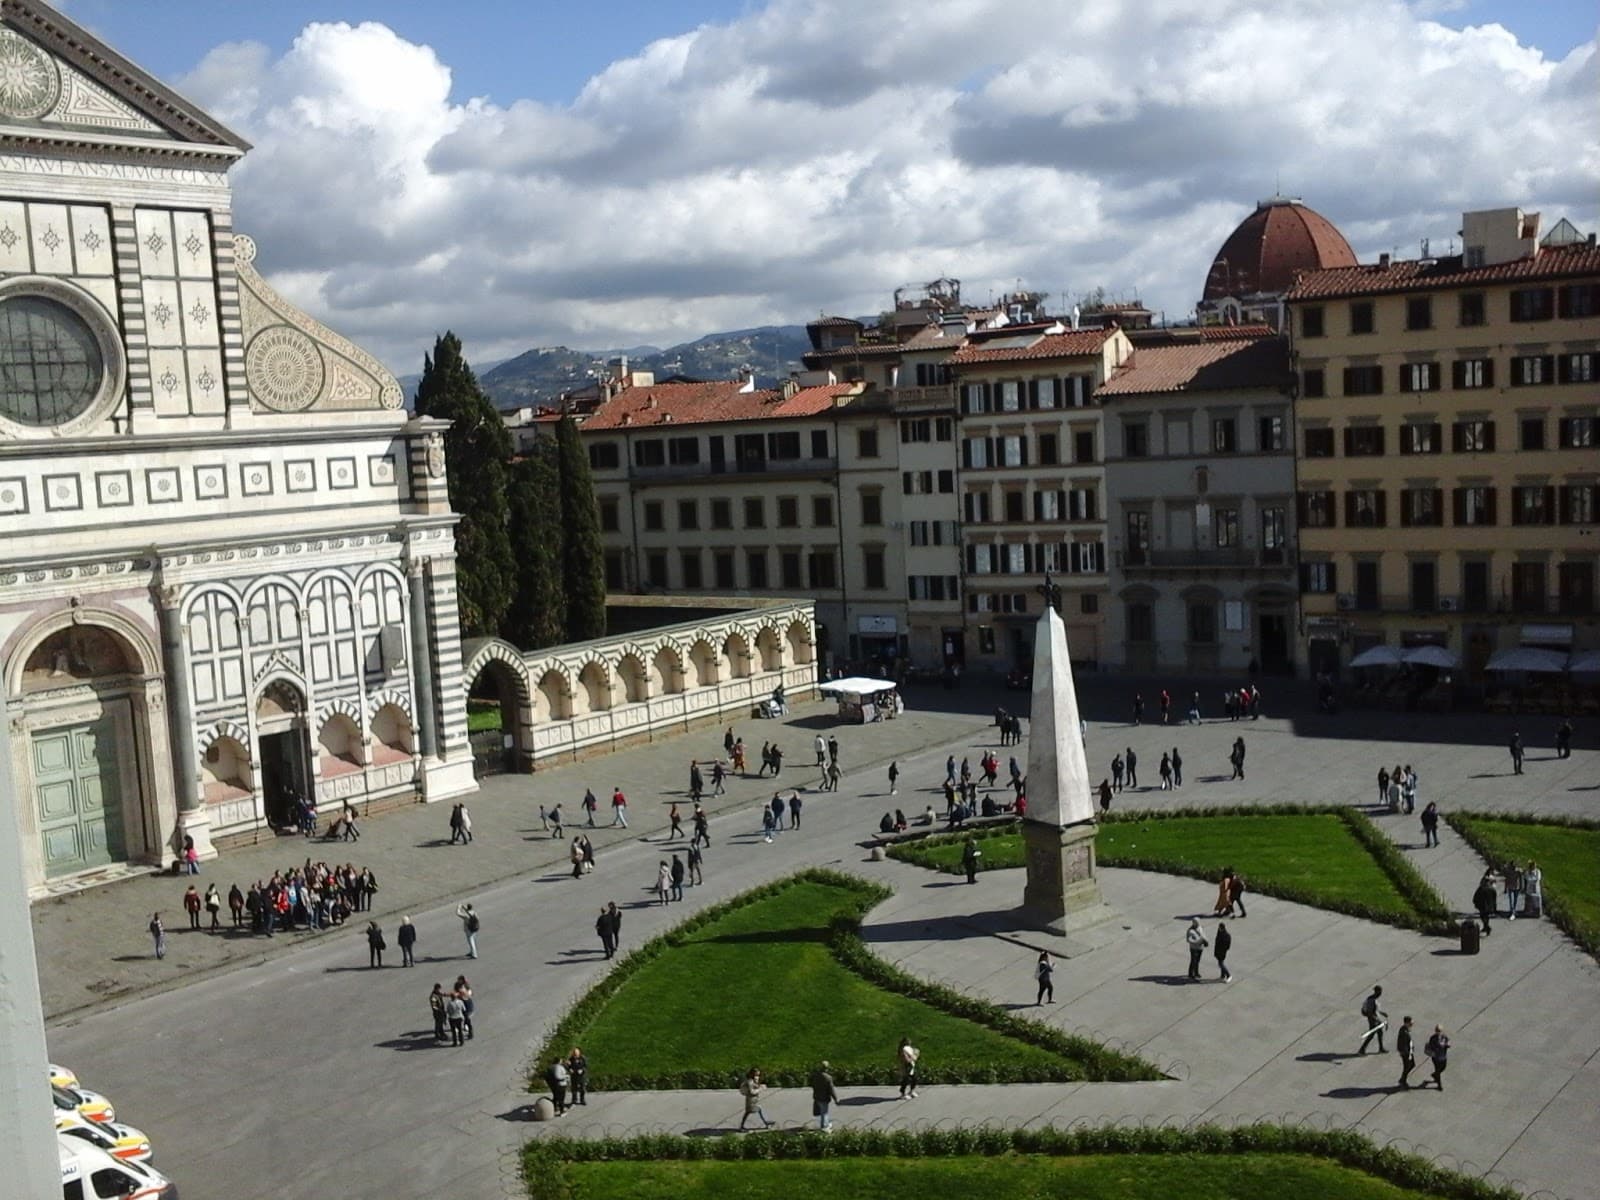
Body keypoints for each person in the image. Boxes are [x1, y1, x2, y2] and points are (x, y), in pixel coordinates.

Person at [810, 1061, 838, 1131]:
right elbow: (831, 1090)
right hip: (824, 1098)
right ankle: (824, 1127)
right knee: (824, 1112)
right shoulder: (828, 1078)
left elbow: (812, 1084)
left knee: (821, 1112)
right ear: (827, 1068)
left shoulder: (815, 1075)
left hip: (817, 1097)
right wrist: (835, 1099)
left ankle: (826, 1123)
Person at [1358, 985, 1387, 1053]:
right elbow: (1370, 1012)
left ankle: (1381, 1048)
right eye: (1380, 992)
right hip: (1372, 1020)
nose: (1380, 993)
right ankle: (1362, 1049)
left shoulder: (1374, 998)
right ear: (1377, 992)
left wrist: (1382, 1013)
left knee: (1380, 1032)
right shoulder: (1372, 1000)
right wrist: (1375, 1019)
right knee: (1371, 1034)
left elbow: (1375, 1009)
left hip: (1375, 1018)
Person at [1424, 1026, 1450, 1090]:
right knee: (1438, 1071)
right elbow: (1431, 1046)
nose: (1439, 1032)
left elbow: (1448, 1041)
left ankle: (1435, 1075)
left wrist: (1447, 1045)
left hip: (1443, 1056)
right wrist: (1438, 1047)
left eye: (1440, 1031)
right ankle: (1439, 1085)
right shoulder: (1433, 1038)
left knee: (1443, 1068)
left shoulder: (1444, 1037)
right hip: (1436, 1057)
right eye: (1437, 1031)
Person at [1472, 871, 1498, 936]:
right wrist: (1495, 907)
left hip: (1482, 905)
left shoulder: (1481, 888)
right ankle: (1486, 927)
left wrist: (1475, 903)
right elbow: (1494, 899)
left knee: (1483, 916)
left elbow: (1476, 897)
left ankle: (1487, 927)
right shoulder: (1492, 889)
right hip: (1489, 906)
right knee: (1486, 917)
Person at [1396, 1016, 1416, 1088]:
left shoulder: (1405, 1029)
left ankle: (1403, 1079)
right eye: (1411, 1021)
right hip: (1406, 1053)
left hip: (1408, 1052)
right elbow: (1403, 1044)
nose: (1412, 1023)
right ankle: (1403, 1080)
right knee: (1407, 1066)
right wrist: (1408, 1053)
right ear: (1407, 1023)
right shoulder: (1404, 1032)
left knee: (1411, 1065)